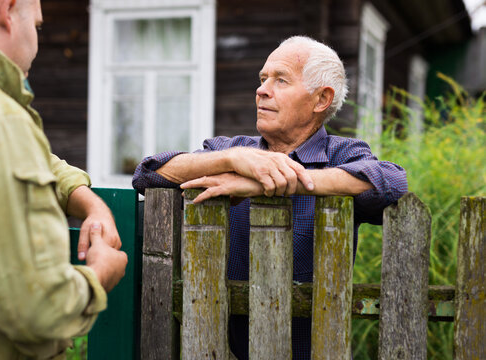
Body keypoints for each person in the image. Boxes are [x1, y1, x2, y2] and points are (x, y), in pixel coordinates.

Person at [133, 36, 408, 359]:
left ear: (321, 99)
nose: (262, 90)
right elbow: (148, 174)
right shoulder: (230, 148)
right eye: (263, 79)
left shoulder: (342, 154)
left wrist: (280, 182)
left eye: (281, 80)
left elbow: (392, 183)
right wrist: (233, 161)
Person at [0, 0, 128, 358]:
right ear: (7, 12)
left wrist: (90, 202)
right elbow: (36, 310)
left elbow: (23, 160)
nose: (37, 42)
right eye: (37, 26)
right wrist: (100, 275)